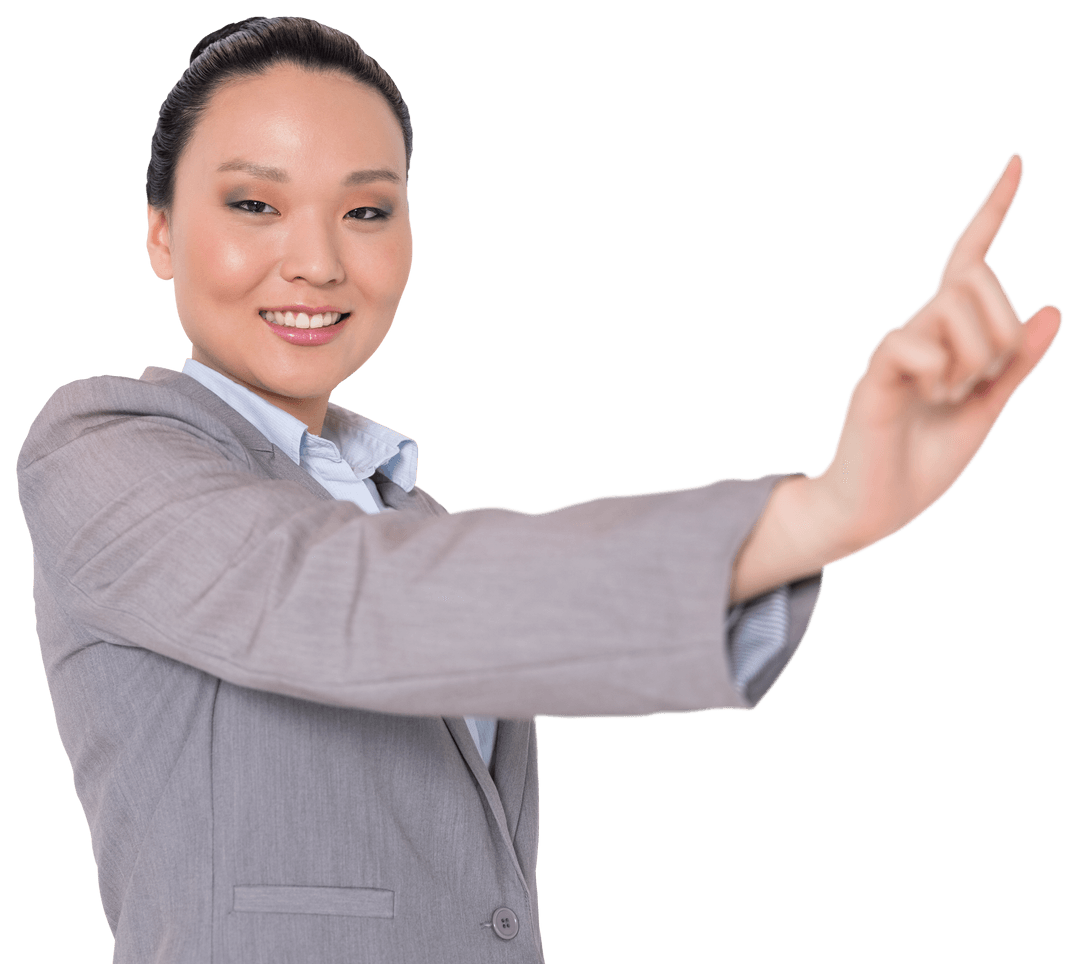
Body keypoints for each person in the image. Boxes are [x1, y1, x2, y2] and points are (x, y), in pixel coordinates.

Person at [14, 15, 1061, 964]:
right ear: (159, 231)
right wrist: (821, 511)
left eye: (368, 210)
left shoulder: (407, 511)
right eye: (254, 203)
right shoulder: (102, 451)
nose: (318, 260)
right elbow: (349, 598)